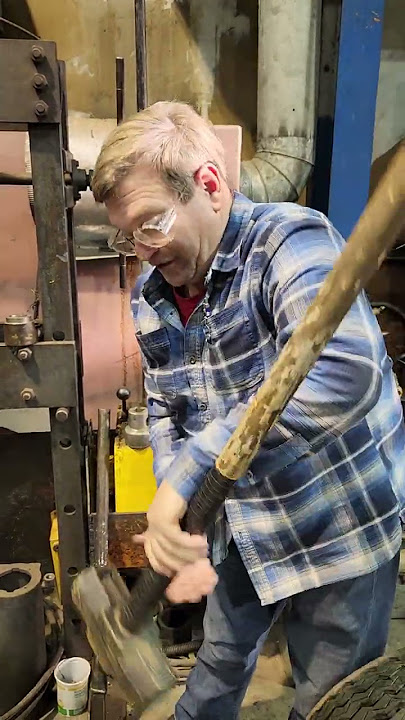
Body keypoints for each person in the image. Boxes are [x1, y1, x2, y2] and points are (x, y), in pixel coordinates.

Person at [92, 101, 405, 720]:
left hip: (338, 524)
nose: (142, 250)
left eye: (151, 224)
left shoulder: (289, 241)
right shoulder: (151, 295)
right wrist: (177, 515)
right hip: (241, 528)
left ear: (209, 185)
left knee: (331, 702)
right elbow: (164, 403)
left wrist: (192, 475)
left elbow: (346, 376)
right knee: (217, 666)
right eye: (129, 235)